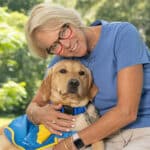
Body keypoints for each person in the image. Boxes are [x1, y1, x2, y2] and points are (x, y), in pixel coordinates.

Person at [24, 3, 150, 150]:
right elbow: (34, 105)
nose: (66, 45)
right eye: (54, 46)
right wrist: (37, 113)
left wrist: (70, 143)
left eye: (63, 32)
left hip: (144, 131)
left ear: (71, 21)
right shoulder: (61, 61)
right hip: (101, 137)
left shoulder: (121, 34)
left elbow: (127, 112)